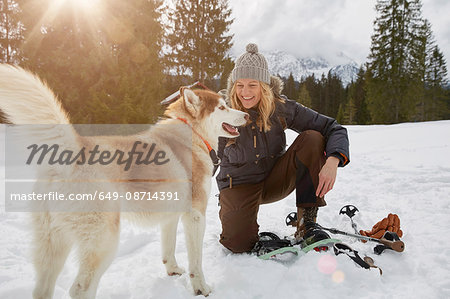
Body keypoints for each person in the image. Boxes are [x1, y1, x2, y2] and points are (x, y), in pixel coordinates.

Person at [215, 43, 350, 253]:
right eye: (239, 85)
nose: (245, 92)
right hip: (238, 186)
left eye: (252, 85)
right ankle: (237, 219)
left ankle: (306, 223)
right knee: (238, 244)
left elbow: (332, 127)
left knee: (313, 138)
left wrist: (333, 160)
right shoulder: (223, 114)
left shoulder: (281, 108)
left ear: (264, 86)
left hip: (274, 179)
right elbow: (206, 155)